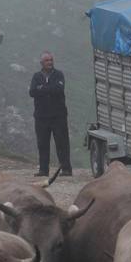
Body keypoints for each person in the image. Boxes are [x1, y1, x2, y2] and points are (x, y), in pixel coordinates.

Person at [29, 50, 73, 178]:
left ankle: (66, 169)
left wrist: (41, 88)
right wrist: (47, 89)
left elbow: (58, 89)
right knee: (42, 143)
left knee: (62, 143)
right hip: (41, 116)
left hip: (58, 116)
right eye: (47, 60)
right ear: (41, 63)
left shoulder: (59, 74)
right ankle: (43, 170)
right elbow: (32, 92)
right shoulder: (36, 76)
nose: (50, 62)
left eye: (51, 60)